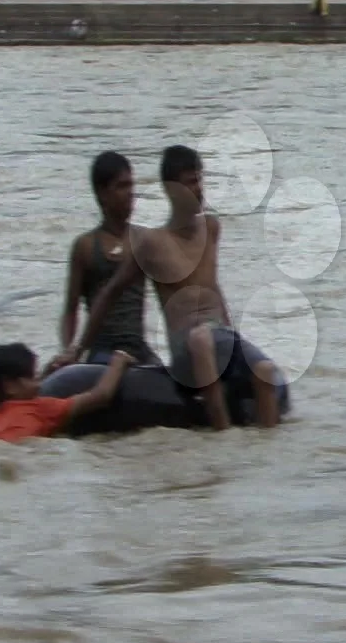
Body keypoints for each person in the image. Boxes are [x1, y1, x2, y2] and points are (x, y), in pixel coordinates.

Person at [72, 145, 281, 431]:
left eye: (200, 179)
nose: (199, 189)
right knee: (200, 339)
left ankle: (263, 460)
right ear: (171, 190)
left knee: (266, 371)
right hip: (188, 349)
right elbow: (110, 293)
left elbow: (213, 286)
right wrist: (78, 348)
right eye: (190, 182)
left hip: (220, 337)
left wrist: (232, 331)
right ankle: (222, 437)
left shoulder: (212, 228)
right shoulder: (151, 244)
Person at [47, 152, 160, 375]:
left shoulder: (145, 241)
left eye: (131, 185)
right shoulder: (86, 247)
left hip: (138, 347)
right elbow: (71, 309)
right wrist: (69, 351)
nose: (131, 193)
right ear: (102, 194)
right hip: (103, 348)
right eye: (121, 186)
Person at [0, 345, 134, 443]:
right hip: (20, 453)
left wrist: (47, 372)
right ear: (10, 386)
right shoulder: (41, 408)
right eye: (33, 376)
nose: (39, 384)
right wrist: (118, 362)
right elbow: (101, 396)